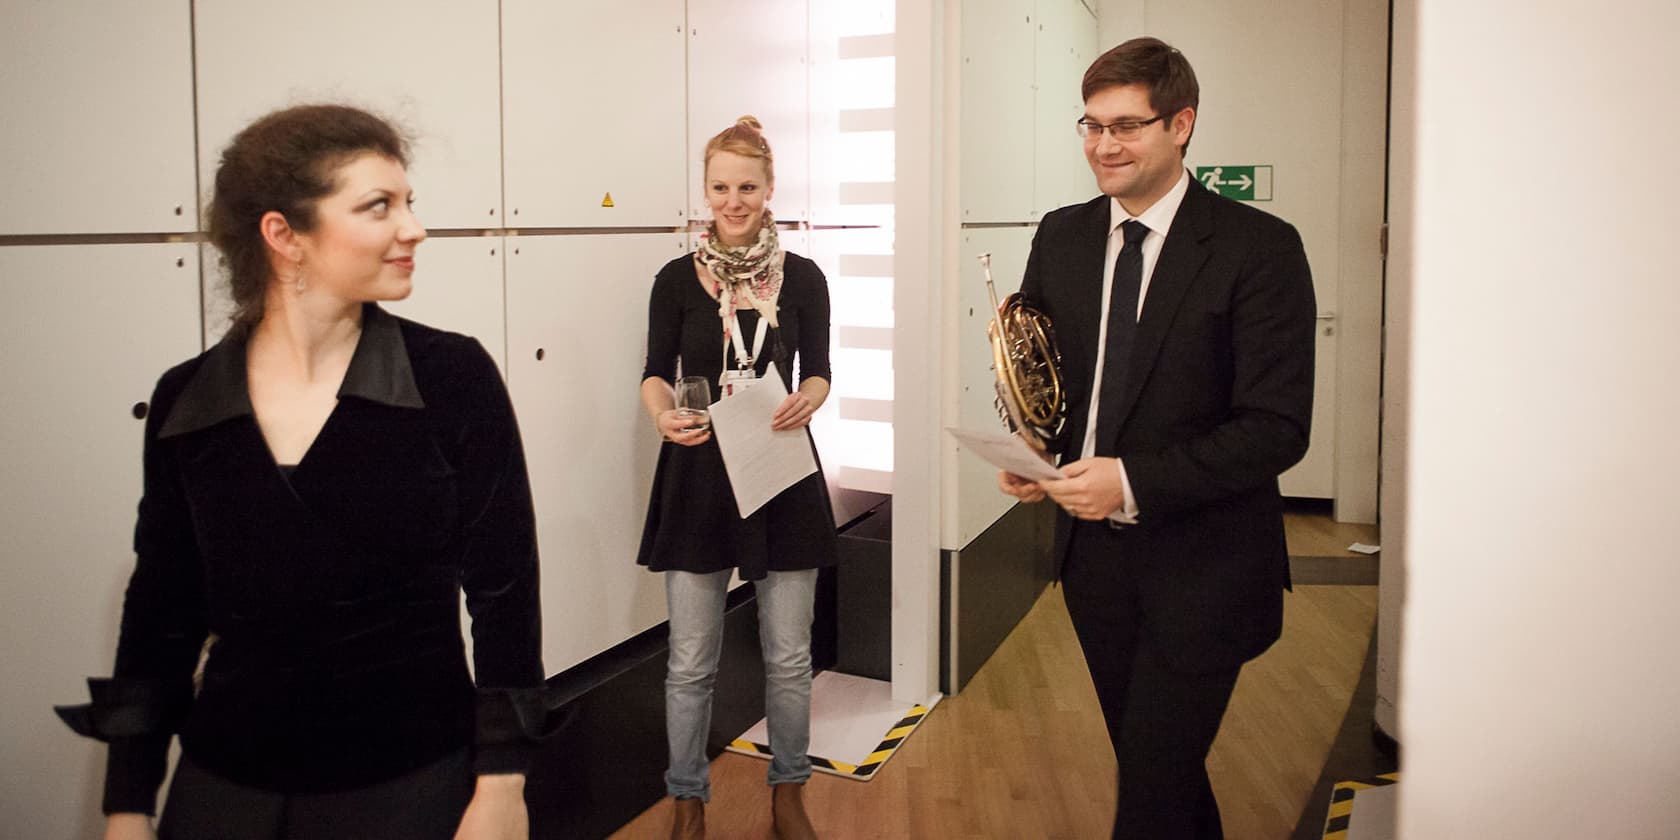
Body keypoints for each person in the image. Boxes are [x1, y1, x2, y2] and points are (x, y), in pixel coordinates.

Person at [55, 104, 553, 840]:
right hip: (226, 783)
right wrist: (128, 803)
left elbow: (505, 592)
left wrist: (503, 786)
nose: (413, 228)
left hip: (411, 777)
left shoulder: (451, 378)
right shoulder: (187, 399)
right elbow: (161, 606)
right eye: (379, 206)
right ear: (284, 236)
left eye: (408, 203)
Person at [997, 38, 1317, 839]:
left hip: (1206, 565)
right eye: (1091, 125)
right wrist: (1032, 451)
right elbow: (1040, 380)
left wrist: (1131, 481)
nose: (1103, 145)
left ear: (1182, 124)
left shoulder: (1259, 247)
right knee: (1159, 772)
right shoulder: (1062, 234)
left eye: (1127, 126)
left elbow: (1278, 428)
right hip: (1094, 564)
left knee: (1151, 776)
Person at [637, 116, 837, 840]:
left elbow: (818, 372)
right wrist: (663, 416)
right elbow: (656, 376)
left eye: (746, 186)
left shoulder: (804, 277)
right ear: (706, 190)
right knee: (691, 661)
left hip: (781, 473)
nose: (733, 200)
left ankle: (789, 792)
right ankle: (688, 799)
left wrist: (809, 398)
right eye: (719, 186)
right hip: (698, 476)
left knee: (788, 656)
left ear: (770, 188)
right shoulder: (673, 279)